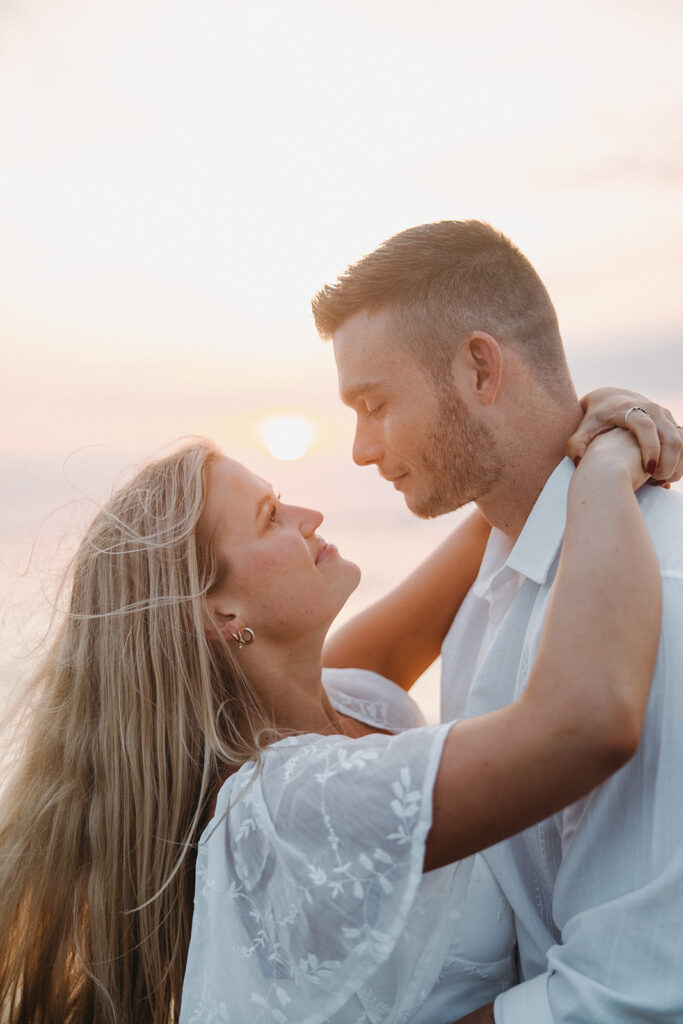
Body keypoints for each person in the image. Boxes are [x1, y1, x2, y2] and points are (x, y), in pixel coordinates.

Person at [0, 408, 670, 1023]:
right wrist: (606, 473)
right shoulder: (286, 806)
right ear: (221, 615)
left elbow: (489, 520)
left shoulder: (343, 701)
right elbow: (586, 721)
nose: (309, 514)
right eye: (269, 517)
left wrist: (568, 427)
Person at [312, 219, 683, 1023]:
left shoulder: (661, 597)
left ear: (481, 368)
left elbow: (628, 998)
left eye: (374, 404)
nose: (360, 450)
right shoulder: (490, 588)